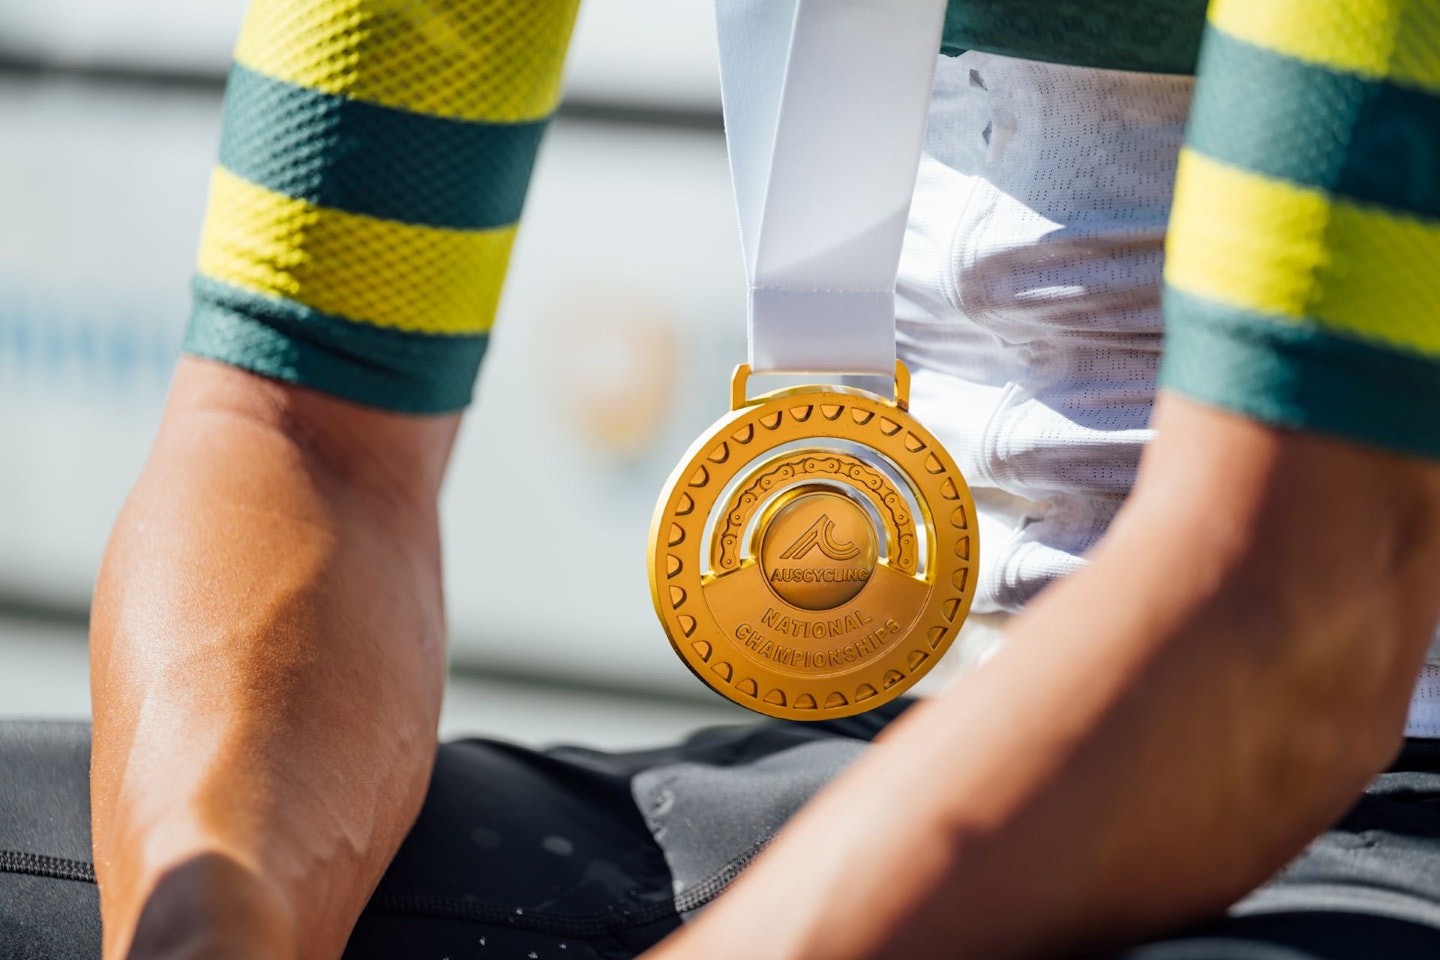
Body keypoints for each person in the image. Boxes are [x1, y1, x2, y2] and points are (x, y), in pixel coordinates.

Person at [2, 0, 1438, 957]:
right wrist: (218, 922)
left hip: (1367, 781)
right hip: (900, 764)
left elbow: (1302, 613)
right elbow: (300, 435)